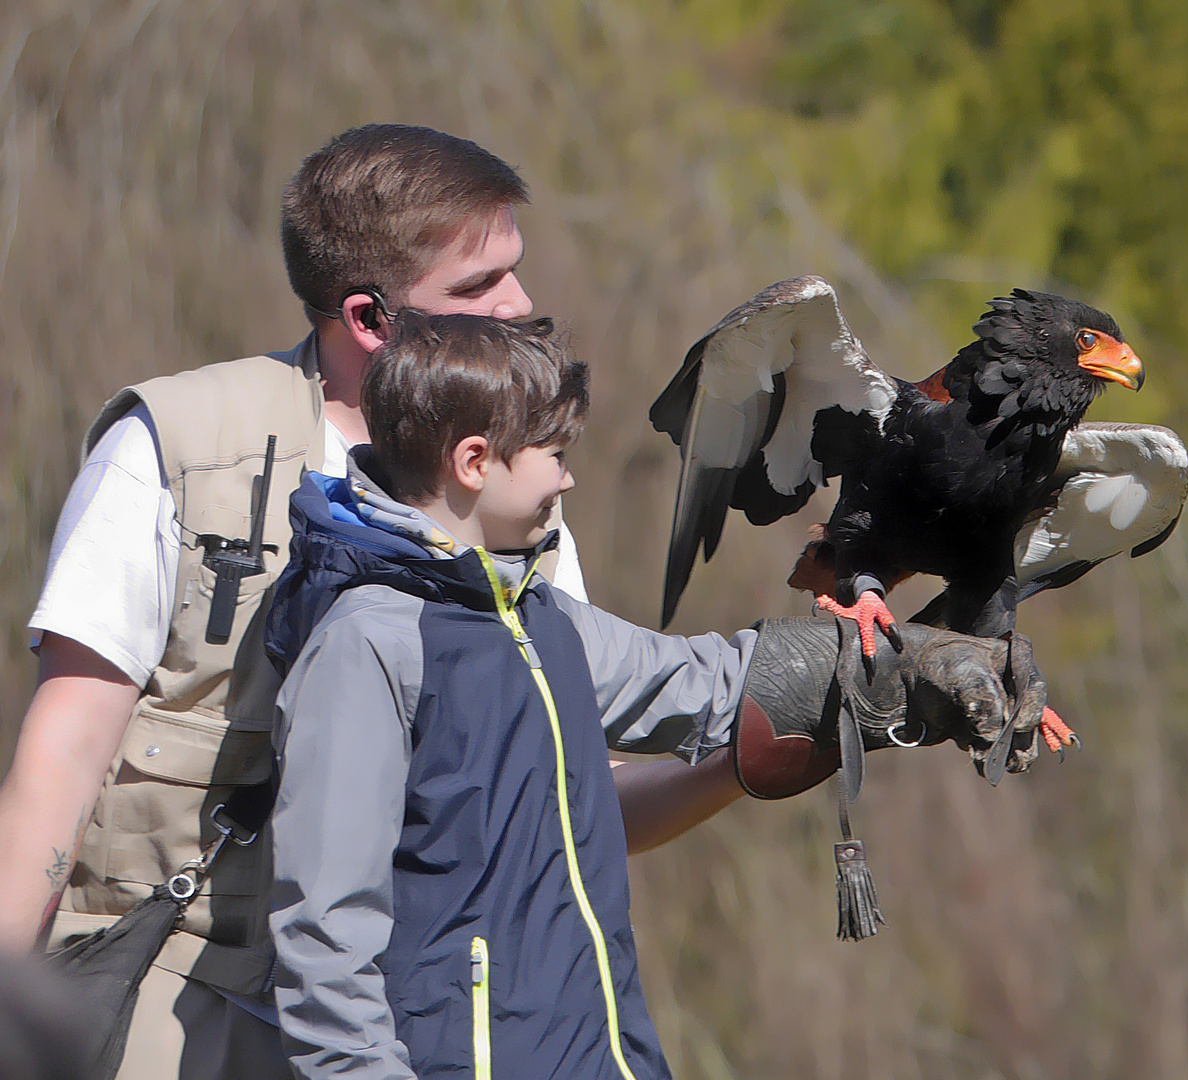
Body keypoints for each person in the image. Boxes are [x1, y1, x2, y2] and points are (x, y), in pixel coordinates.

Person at [0, 125, 739, 1079]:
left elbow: (564, 800)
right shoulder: (177, 449)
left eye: (514, 269)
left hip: (407, 1030)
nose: (521, 304)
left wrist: (744, 762)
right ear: (368, 318)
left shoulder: (510, 507)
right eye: (476, 288)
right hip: (172, 1004)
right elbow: (56, 769)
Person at [264, 311, 1041, 1078]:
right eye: (554, 453)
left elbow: (706, 685)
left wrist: (909, 668)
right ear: (474, 462)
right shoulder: (369, 643)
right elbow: (325, 942)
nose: (568, 476)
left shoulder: (541, 617)